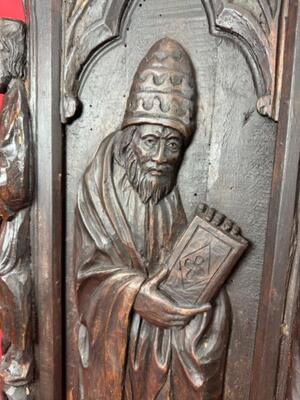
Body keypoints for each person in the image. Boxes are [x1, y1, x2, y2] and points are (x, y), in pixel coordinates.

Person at [75, 38, 230, 400]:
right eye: (150, 141)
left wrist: (208, 262)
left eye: (172, 145)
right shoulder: (99, 187)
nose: (160, 156)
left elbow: (174, 271)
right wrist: (135, 296)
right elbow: (87, 278)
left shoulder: (164, 190)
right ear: (130, 138)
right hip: (116, 343)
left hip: (163, 343)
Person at [0, 18, 32, 399]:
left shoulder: (21, 97)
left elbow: (17, 179)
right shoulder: (13, 99)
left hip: (22, 231)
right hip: (14, 228)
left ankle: (21, 368)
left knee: (15, 285)